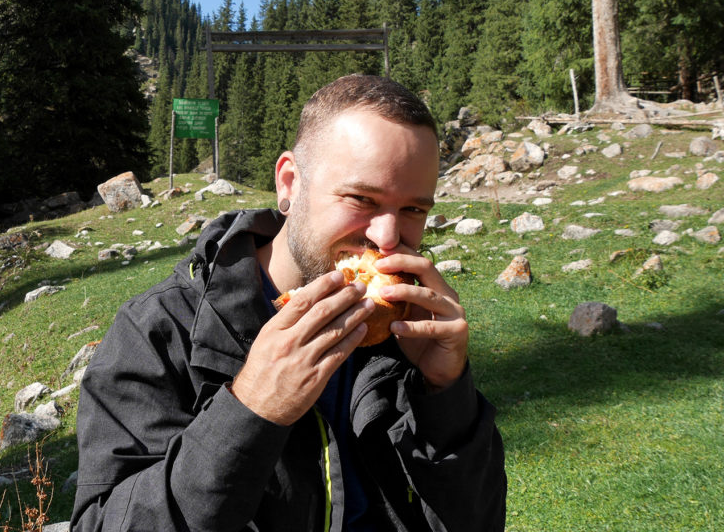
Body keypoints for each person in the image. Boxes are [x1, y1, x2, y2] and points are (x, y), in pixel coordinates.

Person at [72, 74, 506, 531]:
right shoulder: (161, 330)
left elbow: (478, 521)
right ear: (290, 183)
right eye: (361, 198)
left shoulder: (411, 334)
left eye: (413, 209)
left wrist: (448, 395)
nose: (387, 237)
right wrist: (252, 408)